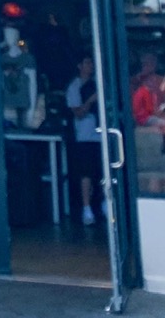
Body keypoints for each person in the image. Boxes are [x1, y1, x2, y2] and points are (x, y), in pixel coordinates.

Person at [67, 54, 103, 225]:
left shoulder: (99, 83)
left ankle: (103, 203)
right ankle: (86, 208)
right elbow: (79, 113)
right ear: (80, 65)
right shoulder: (74, 87)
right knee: (86, 173)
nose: (91, 66)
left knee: (102, 172)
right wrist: (90, 100)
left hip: (101, 135)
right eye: (87, 62)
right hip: (85, 136)